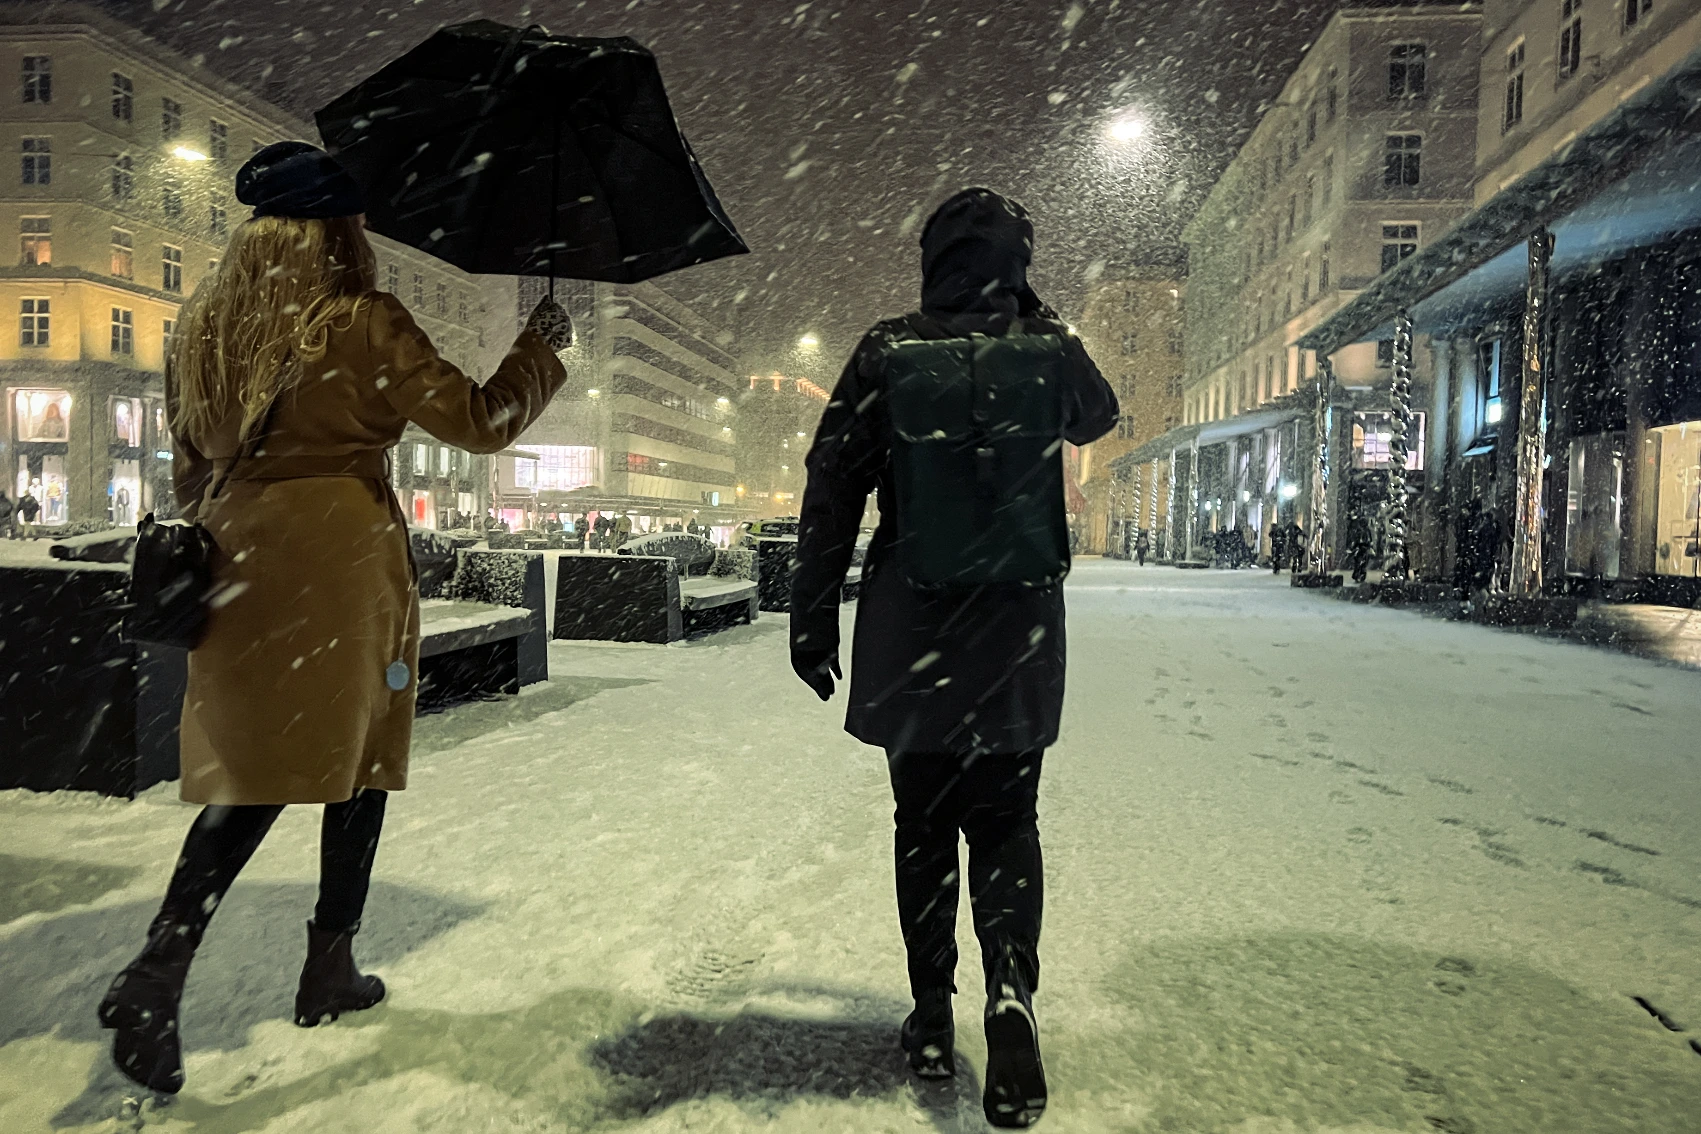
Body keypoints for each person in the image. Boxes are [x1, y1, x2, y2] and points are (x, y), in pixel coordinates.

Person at [95, 142, 572, 1096]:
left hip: (237, 558)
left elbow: (190, 472)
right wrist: (538, 353)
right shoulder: (360, 321)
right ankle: (320, 962)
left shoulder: (201, 327)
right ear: (340, 231)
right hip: (340, 559)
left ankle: (168, 959)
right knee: (357, 758)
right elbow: (476, 422)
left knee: (255, 770)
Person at [789, 188, 1117, 1129]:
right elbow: (1097, 414)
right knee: (1009, 819)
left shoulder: (887, 349)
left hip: (911, 618)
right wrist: (1038, 315)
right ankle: (1010, 995)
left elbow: (831, 486)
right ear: (1017, 262)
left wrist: (811, 617)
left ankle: (930, 1016)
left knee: (923, 824)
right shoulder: (1047, 352)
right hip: (1016, 628)